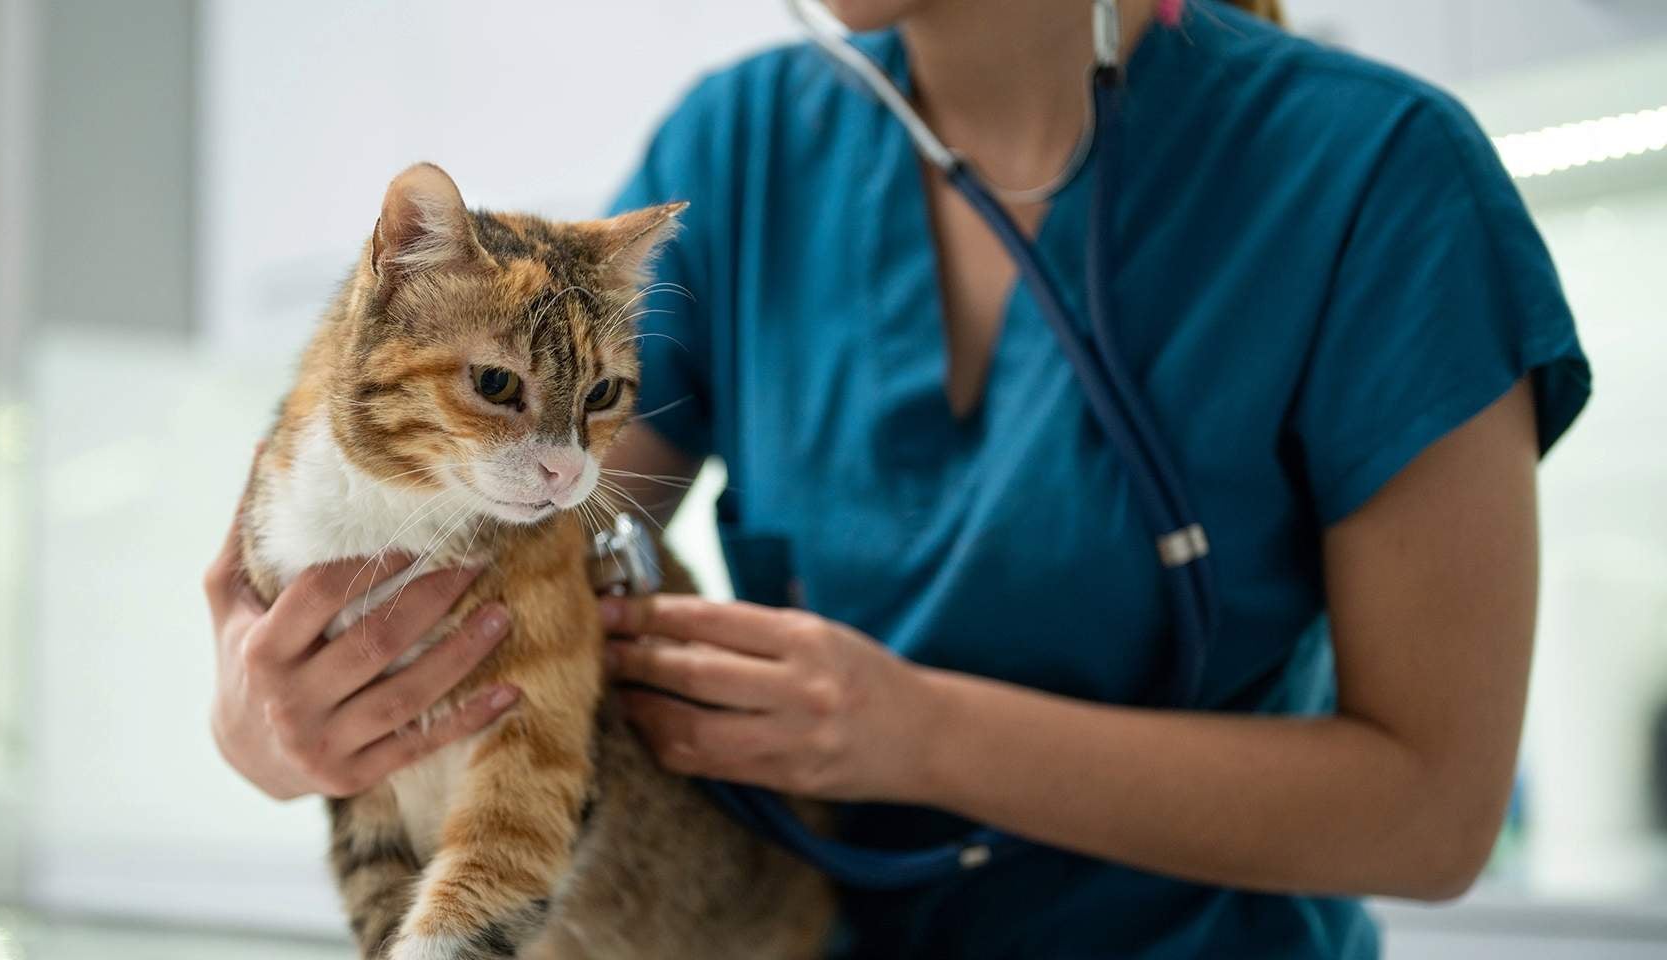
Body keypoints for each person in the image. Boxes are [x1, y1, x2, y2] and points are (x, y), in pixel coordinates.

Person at [201, 1, 1592, 956]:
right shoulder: (742, 147)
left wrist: (912, 733)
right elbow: (503, 556)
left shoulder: (1381, 179)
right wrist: (276, 717)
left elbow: (1433, 814)